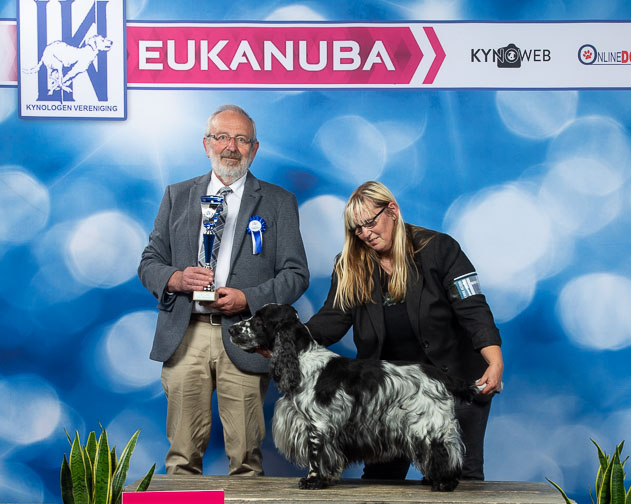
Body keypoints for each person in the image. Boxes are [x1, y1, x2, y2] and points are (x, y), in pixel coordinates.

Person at [138, 104, 309, 476]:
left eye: (241, 139)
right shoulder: (176, 195)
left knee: (246, 459)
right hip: (186, 334)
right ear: (206, 144)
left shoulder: (279, 202)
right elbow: (149, 262)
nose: (231, 147)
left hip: (245, 336)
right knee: (181, 457)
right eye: (222, 137)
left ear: (254, 149)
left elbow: (296, 275)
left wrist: (249, 298)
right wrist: (176, 279)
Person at [305, 181, 502, 481]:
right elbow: (331, 320)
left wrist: (494, 360)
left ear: (392, 210)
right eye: (357, 229)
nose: (365, 234)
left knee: (458, 478)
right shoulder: (349, 265)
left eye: (370, 223)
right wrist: (287, 337)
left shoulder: (441, 249)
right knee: (381, 482)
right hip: (387, 392)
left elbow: (472, 307)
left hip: (451, 384)